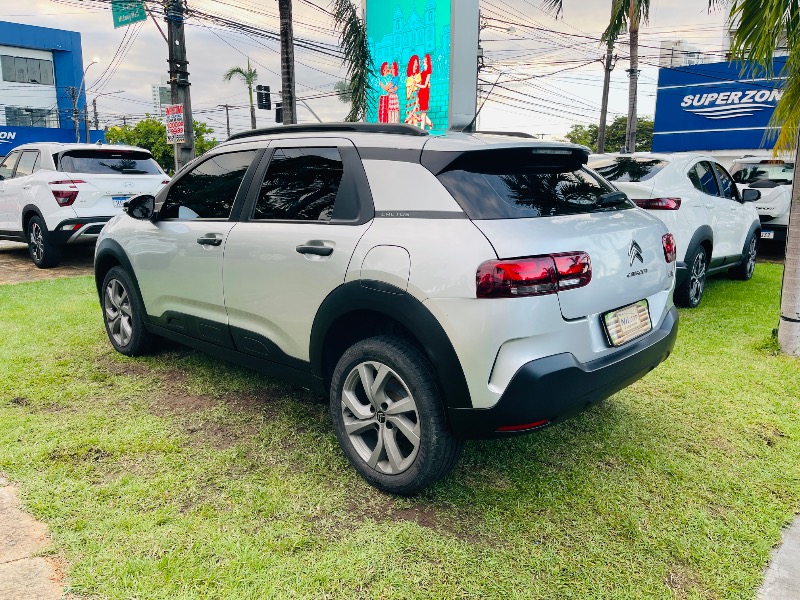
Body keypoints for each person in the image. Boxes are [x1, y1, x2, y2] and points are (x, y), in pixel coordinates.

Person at [417, 54, 433, 130]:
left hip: (425, 92)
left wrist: (416, 84)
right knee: (421, 112)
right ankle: (430, 123)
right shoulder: (422, 71)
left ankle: (422, 129)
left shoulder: (428, 72)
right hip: (421, 92)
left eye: (426, 60)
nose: (424, 61)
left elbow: (425, 85)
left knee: (423, 112)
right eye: (424, 60)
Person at [405, 54, 421, 127]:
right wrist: (413, 85)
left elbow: (420, 90)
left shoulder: (419, 76)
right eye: (415, 63)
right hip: (410, 103)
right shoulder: (409, 79)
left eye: (417, 63)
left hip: (416, 100)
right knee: (409, 122)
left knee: (415, 122)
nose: (416, 65)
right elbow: (408, 96)